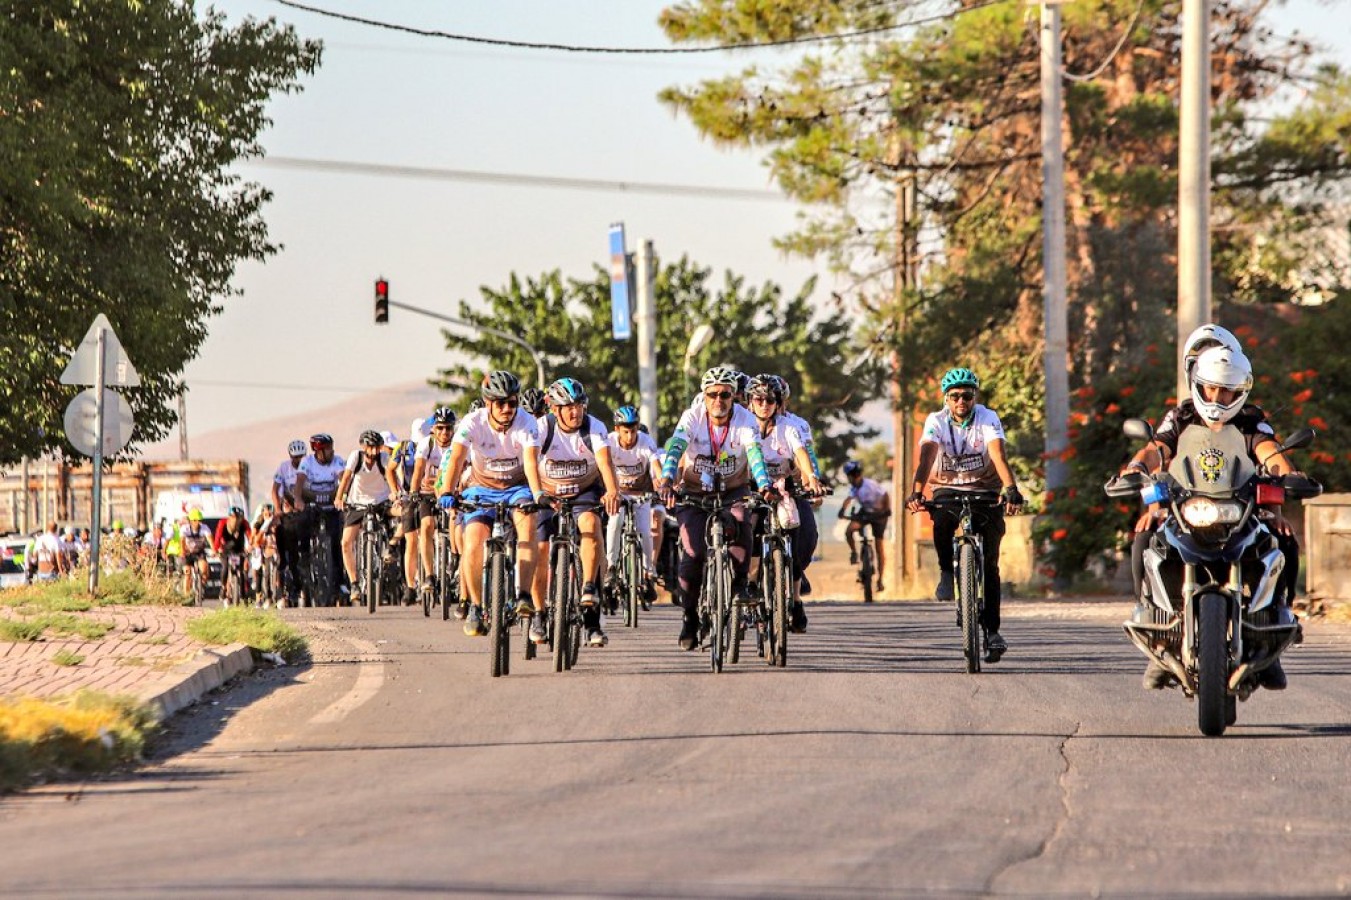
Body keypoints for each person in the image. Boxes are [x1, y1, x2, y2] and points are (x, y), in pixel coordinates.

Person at [1119, 343, 1302, 691]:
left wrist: (1290, 475)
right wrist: (1137, 467)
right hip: (1188, 505)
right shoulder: (1181, 417)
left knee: (1284, 542)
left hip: (1240, 508)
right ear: (1198, 384)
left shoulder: (1251, 420)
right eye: (1212, 388)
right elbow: (1157, 450)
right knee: (1145, 538)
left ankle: (1273, 636)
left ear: (1240, 390)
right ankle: (1158, 638)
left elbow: (1270, 454)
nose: (1218, 396)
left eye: (1227, 390)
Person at [907, 367, 1024, 662]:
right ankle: (947, 570)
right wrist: (917, 491)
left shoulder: (987, 417)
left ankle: (993, 631)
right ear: (946, 398)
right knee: (942, 520)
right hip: (947, 486)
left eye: (967, 395)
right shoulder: (935, 421)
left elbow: (998, 453)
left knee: (992, 566)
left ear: (975, 397)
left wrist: (1010, 488)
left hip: (985, 488)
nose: (961, 401)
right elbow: (927, 456)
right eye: (955, 396)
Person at [656, 365, 777, 651]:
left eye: (725, 395)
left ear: (734, 396)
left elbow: (755, 455)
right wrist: (665, 479)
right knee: (694, 554)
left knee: (742, 521)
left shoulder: (745, 420)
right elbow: (675, 448)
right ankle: (689, 617)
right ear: (704, 395)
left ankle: (737, 586)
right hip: (695, 492)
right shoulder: (692, 416)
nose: (718, 401)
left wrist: (765, 484)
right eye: (712, 395)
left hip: (733, 490)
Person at [436, 370, 544, 639]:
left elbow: (531, 463)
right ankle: (475, 605)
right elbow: (457, 458)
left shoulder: (527, 422)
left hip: (517, 487)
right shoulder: (472, 422)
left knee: (528, 527)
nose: (507, 408)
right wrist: (447, 491)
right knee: (472, 542)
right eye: (500, 403)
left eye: (512, 402)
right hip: (480, 489)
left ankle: (522, 595)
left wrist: (538, 494)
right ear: (488, 403)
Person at [529, 378, 621, 648]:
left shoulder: (595, 427)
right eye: (568, 406)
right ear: (554, 409)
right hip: (548, 492)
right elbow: (531, 463)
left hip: (584, 489)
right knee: (541, 548)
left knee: (591, 525)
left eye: (579, 405)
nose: (575, 412)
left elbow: (604, 462)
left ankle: (590, 598)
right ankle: (538, 612)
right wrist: (537, 494)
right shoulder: (542, 428)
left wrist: (613, 491)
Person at [745, 374, 823, 631]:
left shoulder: (791, 427)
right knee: (748, 532)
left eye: (771, 399)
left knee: (805, 535)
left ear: (779, 403)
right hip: (753, 490)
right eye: (759, 399)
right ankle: (751, 585)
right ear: (750, 401)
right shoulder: (743, 426)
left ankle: (796, 597)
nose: (764, 404)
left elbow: (803, 454)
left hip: (788, 490)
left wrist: (812, 479)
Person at [605, 405, 663, 608]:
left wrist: (659, 482)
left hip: (641, 494)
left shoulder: (645, 441)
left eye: (633, 430)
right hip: (618, 494)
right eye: (625, 431)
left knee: (646, 532)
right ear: (617, 429)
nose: (630, 436)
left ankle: (648, 572)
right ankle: (611, 566)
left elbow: (656, 466)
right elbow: (602, 466)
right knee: (615, 522)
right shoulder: (610, 442)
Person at [335, 429, 393, 607]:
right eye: (370, 448)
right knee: (346, 542)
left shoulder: (383, 459)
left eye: (377, 447)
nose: (373, 452)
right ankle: (354, 584)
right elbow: (346, 478)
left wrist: (396, 495)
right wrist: (339, 497)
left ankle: (390, 548)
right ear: (363, 447)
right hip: (357, 503)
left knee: (397, 518)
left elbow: (391, 477)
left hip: (380, 501)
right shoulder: (356, 457)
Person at [405, 407, 456, 604]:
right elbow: (418, 470)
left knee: (456, 523)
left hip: (450, 492)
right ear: (434, 429)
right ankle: (429, 575)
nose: (445, 433)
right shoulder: (427, 444)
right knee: (426, 526)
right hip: (427, 493)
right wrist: (413, 492)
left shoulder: (458, 444)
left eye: (449, 428)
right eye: (441, 428)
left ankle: (455, 562)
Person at [292, 433, 347, 605]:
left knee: (336, 541)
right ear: (319, 451)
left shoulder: (337, 461)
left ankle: (339, 583)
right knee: (302, 521)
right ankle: (305, 555)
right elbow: (299, 483)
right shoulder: (307, 462)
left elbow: (343, 477)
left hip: (331, 503)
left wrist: (342, 496)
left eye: (332, 447)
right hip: (312, 502)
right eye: (328, 448)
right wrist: (298, 500)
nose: (332, 451)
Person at [839, 460, 892, 596]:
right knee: (849, 531)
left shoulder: (870, 485)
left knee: (879, 547)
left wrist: (886, 510)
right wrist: (842, 510)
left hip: (879, 514)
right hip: (865, 513)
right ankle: (854, 552)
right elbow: (848, 499)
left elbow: (885, 494)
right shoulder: (854, 488)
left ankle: (880, 580)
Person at [273, 439, 307, 604]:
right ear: (290, 456)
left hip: (305, 508)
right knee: (284, 538)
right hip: (288, 511)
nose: (298, 460)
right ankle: (285, 576)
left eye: (301, 456)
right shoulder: (283, 467)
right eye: (295, 457)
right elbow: (275, 490)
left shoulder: (309, 465)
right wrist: (278, 509)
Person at [213, 507, 252, 604]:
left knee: (242, 571)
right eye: (234, 517)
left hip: (239, 549)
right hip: (225, 550)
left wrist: (250, 546)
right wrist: (216, 549)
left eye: (239, 518)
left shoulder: (244, 523)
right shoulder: (222, 523)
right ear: (229, 517)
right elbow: (217, 537)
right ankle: (223, 587)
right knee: (225, 567)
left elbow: (250, 536)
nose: (236, 520)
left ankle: (243, 594)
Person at [179, 509, 213, 597]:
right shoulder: (185, 528)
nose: (197, 522)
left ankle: (202, 585)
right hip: (187, 553)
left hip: (199, 552)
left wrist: (214, 550)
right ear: (190, 521)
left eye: (199, 520)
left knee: (204, 569)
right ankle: (186, 596)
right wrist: (183, 551)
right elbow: (182, 541)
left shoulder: (204, 528)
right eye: (194, 520)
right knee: (187, 573)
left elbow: (210, 540)